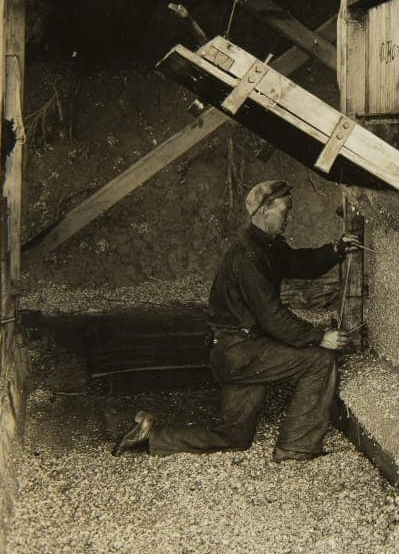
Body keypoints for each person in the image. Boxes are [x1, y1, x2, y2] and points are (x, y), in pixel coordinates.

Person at [113, 179, 360, 462]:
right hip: (240, 352)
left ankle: (152, 434)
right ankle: (296, 447)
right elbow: (272, 317)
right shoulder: (248, 258)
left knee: (233, 436)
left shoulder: (264, 245)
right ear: (265, 210)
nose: (289, 217)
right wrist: (318, 336)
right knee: (320, 360)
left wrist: (335, 251)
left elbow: (298, 264)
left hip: (234, 350)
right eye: (285, 210)